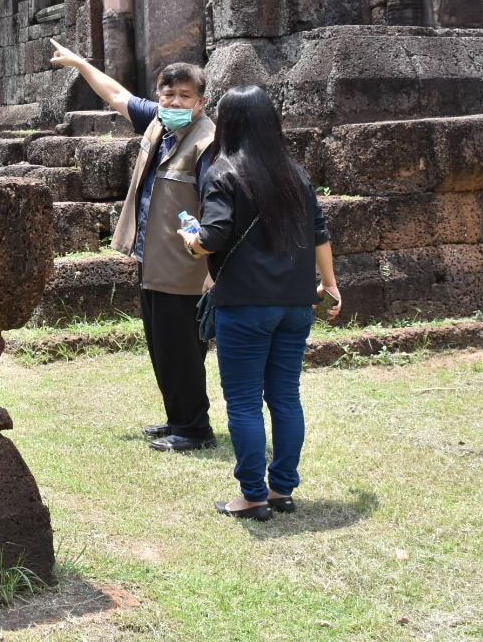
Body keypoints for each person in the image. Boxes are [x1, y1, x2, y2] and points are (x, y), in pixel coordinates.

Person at [181, 85, 342, 521]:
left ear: (228, 123)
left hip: (245, 306)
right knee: (286, 397)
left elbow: (211, 237)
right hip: (295, 304)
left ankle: (253, 496)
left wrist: (190, 241)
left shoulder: (223, 171)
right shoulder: (295, 173)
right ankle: (281, 489)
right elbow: (319, 232)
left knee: (245, 402)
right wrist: (329, 283)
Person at [50, 38, 217, 452]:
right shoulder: (159, 123)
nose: (174, 102)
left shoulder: (207, 143)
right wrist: (80, 64)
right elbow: (116, 95)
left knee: (182, 348)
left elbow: (218, 208)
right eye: (168, 94)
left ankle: (195, 429)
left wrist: (213, 267)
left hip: (187, 264)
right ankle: (178, 418)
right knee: (161, 344)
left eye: (184, 96)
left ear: (200, 102)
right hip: (153, 257)